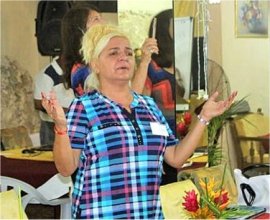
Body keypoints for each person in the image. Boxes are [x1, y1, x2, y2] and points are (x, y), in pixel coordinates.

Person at [41, 24, 237, 219]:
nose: (123, 58)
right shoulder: (84, 107)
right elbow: (66, 168)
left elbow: (176, 157)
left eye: (128, 53)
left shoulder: (149, 106)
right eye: (113, 53)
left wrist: (204, 119)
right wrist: (60, 127)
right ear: (95, 64)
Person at [61, 4, 158, 97]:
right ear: (81, 29)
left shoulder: (86, 65)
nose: (104, 23)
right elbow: (128, 100)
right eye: (96, 19)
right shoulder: (84, 70)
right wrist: (144, 62)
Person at [143, 9, 182, 185]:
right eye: (176, 24)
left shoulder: (181, 62)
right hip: (160, 142)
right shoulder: (151, 66)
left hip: (181, 137)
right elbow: (140, 103)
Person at [34, 55, 75, 146]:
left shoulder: (73, 72)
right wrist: (64, 111)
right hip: (51, 127)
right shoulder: (47, 74)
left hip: (71, 125)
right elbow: (38, 103)